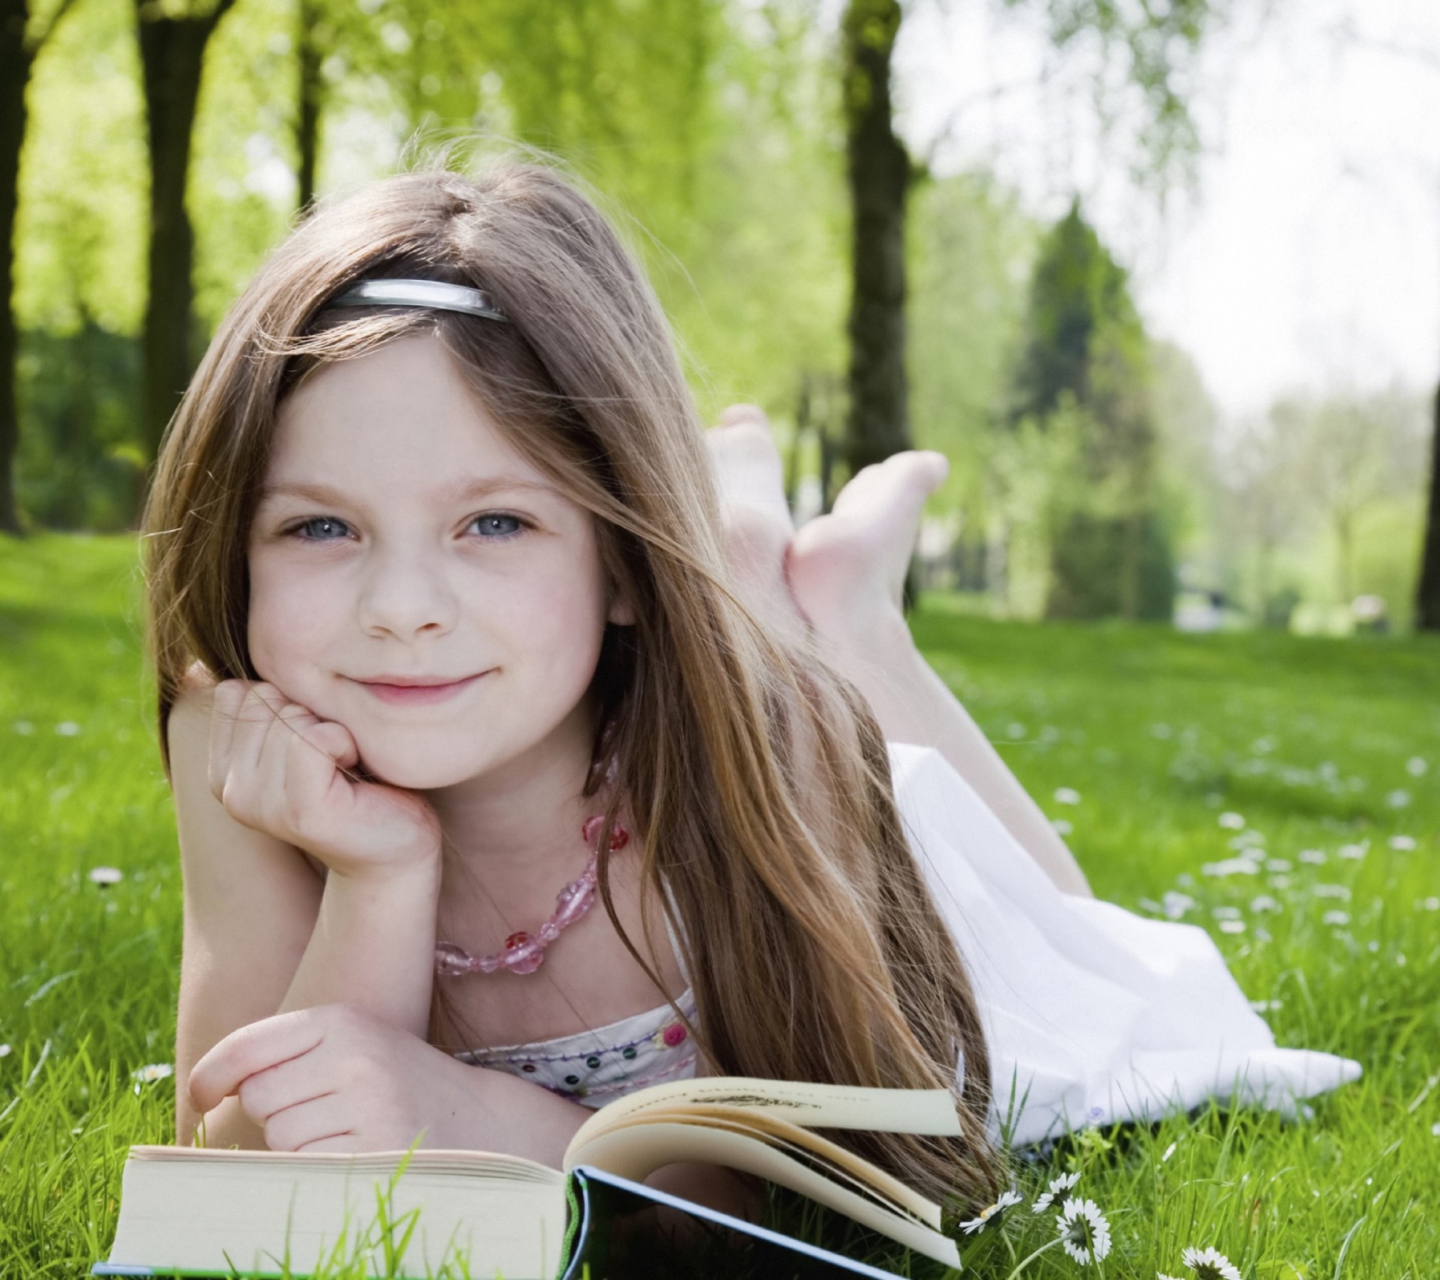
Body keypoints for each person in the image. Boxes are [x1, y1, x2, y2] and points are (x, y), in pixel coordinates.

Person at [144, 165, 1355, 1220]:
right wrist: (378, 872)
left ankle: (842, 607)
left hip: (870, 837)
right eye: (317, 527)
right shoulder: (240, 749)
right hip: (723, 674)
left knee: (1086, 946)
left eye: (495, 520)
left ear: (621, 558)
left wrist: (472, 1112)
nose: (401, 605)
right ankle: (756, 555)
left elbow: (866, 1158)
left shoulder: (752, 765)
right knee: (752, 643)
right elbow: (238, 1159)